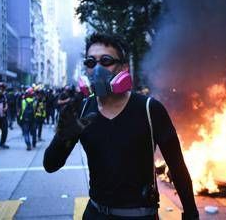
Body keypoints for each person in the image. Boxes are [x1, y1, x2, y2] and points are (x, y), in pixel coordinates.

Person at [44, 33, 199, 220]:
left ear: (124, 67)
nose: (98, 68)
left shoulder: (150, 109)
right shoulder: (82, 109)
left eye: (106, 61)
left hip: (141, 216)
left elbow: (177, 167)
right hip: (95, 213)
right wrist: (64, 137)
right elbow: (51, 165)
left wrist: (191, 213)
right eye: (91, 63)